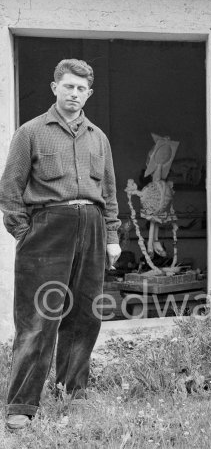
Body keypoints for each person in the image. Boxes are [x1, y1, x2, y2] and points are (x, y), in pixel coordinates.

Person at [0, 59, 121, 430]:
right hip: (48, 228)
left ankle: (72, 393)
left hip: (93, 227)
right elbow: (10, 189)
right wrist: (25, 233)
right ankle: (22, 404)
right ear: (55, 87)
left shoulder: (98, 137)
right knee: (39, 317)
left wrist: (112, 236)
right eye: (68, 86)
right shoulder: (31, 132)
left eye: (81, 88)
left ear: (89, 93)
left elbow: (110, 192)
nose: (74, 93)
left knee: (85, 315)